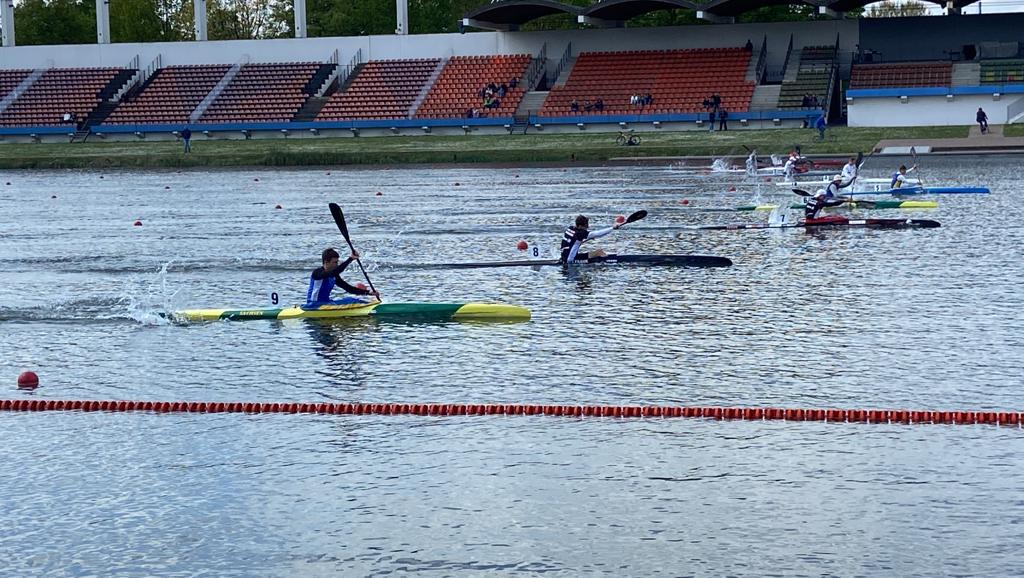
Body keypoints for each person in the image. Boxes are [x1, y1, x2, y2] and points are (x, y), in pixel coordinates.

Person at [306, 248, 378, 306]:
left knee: (352, 300)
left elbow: (349, 288)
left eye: (337, 262)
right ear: (326, 262)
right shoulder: (317, 273)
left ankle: (371, 305)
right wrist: (350, 259)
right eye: (334, 262)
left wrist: (369, 292)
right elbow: (336, 271)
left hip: (326, 303)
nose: (336, 265)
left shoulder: (334, 276)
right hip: (313, 305)